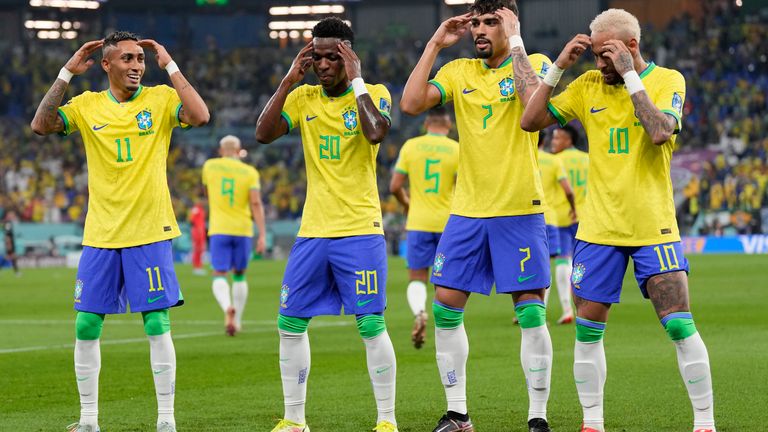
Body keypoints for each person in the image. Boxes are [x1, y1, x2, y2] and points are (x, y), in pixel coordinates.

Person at [520, 8, 716, 432]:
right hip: (598, 230)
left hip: (653, 226)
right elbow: (529, 121)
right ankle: (593, 424)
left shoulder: (668, 81)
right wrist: (557, 68)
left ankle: (705, 423)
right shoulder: (588, 83)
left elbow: (661, 131)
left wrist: (630, 77)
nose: (598, 64)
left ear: (631, 47)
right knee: (588, 333)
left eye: (605, 54)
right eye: (593, 54)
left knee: (680, 325)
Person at [30, 31, 209, 432]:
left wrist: (171, 67)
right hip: (102, 233)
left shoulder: (160, 99)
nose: (136, 66)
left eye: (140, 59)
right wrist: (66, 73)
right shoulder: (87, 104)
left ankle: (166, 419)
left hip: (149, 230)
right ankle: (89, 420)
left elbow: (200, 116)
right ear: (106, 65)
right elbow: (41, 125)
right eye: (127, 59)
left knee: (156, 322)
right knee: (86, 324)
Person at [400, 1, 555, 431]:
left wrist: (517, 38)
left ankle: (537, 417)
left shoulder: (535, 63)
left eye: (492, 22)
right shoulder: (458, 72)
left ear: (511, 24)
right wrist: (435, 43)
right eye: (477, 23)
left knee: (530, 313)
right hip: (466, 212)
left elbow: (533, 107)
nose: (481, 30)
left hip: (519, 209)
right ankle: (457, 414)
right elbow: (411, 103)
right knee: (446, 308)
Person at [255, 17, 398, 432]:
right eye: (316, 56)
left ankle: (386, 420)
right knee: (289, 323)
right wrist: (286, 81)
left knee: (370, 323)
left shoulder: (375, 94)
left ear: (349, 56)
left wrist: (357, 82)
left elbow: (376, 133)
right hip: (313, 231)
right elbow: (263, 134)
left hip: (359, 228)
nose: (322, 64)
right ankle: (295, 419)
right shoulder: (302, 98)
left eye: (332, 56)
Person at [389, 106, 459, 349]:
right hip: (448, 224)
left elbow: (395, 185)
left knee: (417, 276)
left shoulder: (411, 146)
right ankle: (446, 326)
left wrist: (407, 204)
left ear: (426, 123)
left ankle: (420, 312)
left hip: (418, 221)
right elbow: (463, 188)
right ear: (448, 124)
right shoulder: (456, 149)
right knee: (446, 279)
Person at [202, 135, 266, 336]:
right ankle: (236, 320)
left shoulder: (209, 166)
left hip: (219, 228)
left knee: (219, 273)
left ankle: (227, 307)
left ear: (221, 151)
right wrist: (262, 234)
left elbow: (207, 193)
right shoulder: (250, 173)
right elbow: (255, 203)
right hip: (242, 229)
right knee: (239, 275)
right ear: (239, 151)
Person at [549, 125, 589, 323]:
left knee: (562, 261)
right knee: (580, 263)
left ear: (568, 140)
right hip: (585, 218)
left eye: (557, 139)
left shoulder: (554, 161)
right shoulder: (588, 159)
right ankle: (584, 306)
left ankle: (567, 309)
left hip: (561, 217)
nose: (553, 143)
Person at [537, 136, 577, 323]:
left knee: (536, 265)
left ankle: (534, 309)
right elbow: (568, 190)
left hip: (526, 219)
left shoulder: (522, 157)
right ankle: (567, 308)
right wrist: (574, 208)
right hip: (552, 218)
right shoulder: (553, 161)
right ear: (543, 141)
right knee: (562, 261)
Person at [188, 199, 207, 276]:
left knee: (200, 249)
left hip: (201, 231)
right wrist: (197, 229)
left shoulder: (201, 209)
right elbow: (191, 219)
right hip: (197, 231)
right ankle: (196, 267)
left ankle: (199, 266)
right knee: (197, 249)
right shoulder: (196, 209)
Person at [2, 210, 20, 276]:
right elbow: (7, 233)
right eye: (11, 214)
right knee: (10, 256)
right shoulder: (8, 222)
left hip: (10, 241)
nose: (13, 215)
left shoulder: (8, 222)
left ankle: (16, 272)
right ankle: (16, 272)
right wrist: (9, 243)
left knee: (12, 256)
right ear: (8, 215)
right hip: (9, 242)